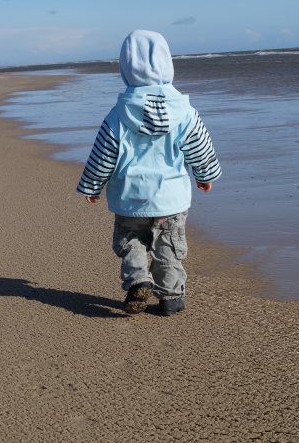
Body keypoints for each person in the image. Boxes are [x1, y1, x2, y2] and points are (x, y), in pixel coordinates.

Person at [77, 29, 221, 316]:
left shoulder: (119, 114)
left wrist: (93, 186)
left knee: (131, 240)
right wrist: (205, 174)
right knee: (169, 244)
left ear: (125, 69)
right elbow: (200, 146)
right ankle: (171, 298)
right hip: (171, 199)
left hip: (130, 199)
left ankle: (138, 280)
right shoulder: (184, 111)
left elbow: (104, 153)